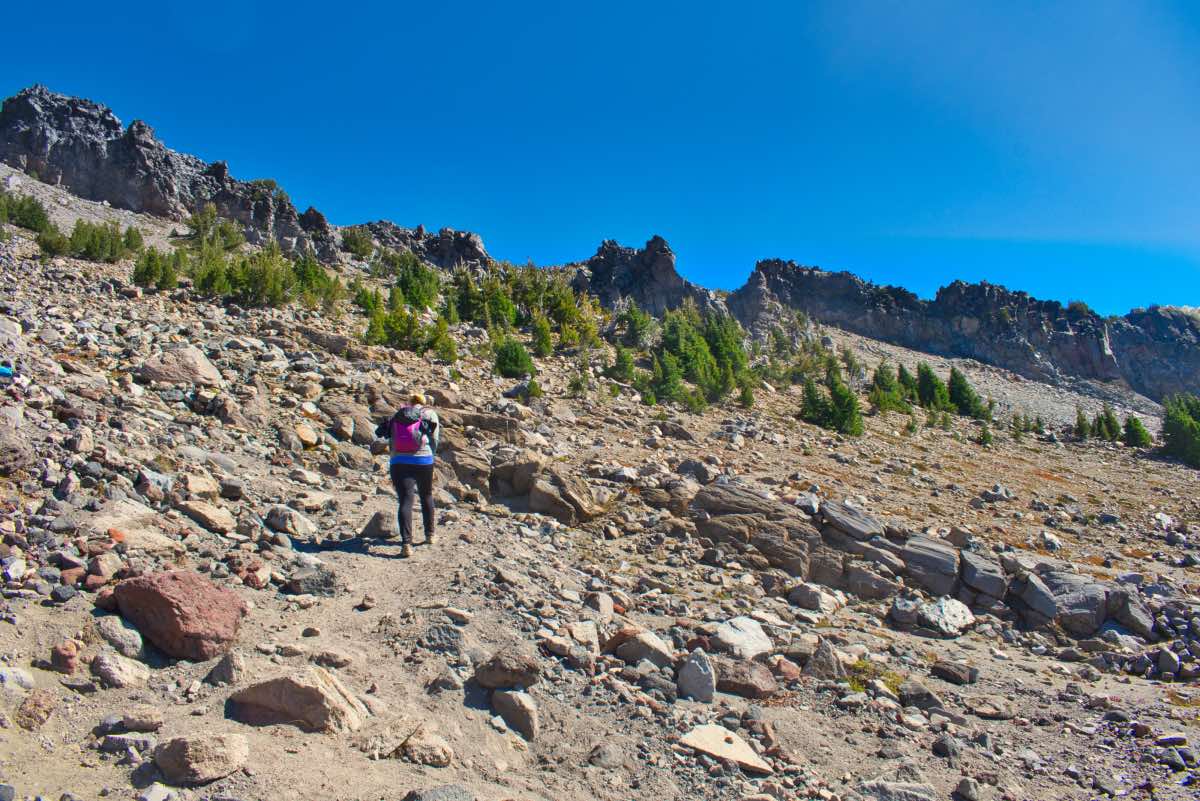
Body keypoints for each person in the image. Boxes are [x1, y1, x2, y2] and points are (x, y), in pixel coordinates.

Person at [375, 392, 440, 558]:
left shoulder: (398, 414)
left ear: (409, 401)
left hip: (399, 461)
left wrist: (395, 457)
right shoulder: (429, 414)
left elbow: (388, 437)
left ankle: (406, 544)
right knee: (426, 495)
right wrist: (431, 455)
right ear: (424, 402)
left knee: (405, 500)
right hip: (424, 460)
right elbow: (435, 439)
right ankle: (430, 535)